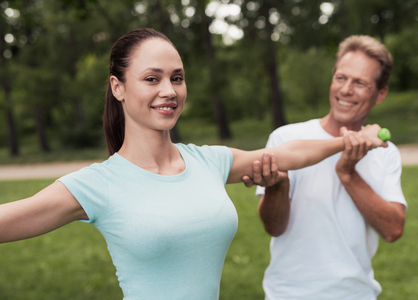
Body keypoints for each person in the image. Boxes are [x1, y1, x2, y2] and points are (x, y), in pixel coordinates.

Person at [0, 29, 386, 300]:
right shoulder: (98, 185)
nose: (168, 91)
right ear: (118, 87)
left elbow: (288, 155)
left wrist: (346, 141)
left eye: (177, 78)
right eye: (152, 78)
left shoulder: (207, 161)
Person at [243, 35, 407, 300]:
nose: (346, 90)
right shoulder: (285, 139)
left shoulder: (385, 153)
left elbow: (393, 230)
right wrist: (279, 187)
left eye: (360, 83)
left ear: (381, 93)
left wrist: (347, 173)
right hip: (288, 294)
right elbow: (274, 227)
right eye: (341, 78)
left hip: (356, 294)